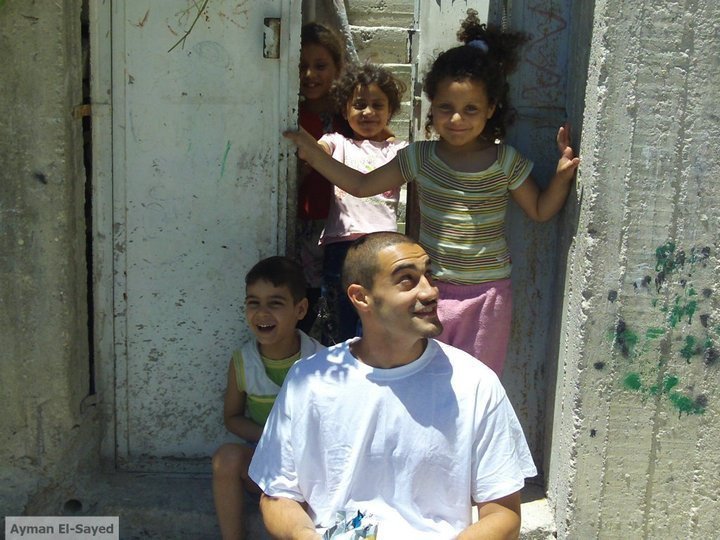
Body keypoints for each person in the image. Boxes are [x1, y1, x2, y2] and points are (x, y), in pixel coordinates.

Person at [284, 10, 580, 376]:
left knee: (476, 382)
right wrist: (312, 151)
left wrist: (562, 177)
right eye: (446, 108)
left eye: (470, 109)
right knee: (422, 379)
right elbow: (360, 185)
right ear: (431, 107)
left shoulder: (505, 161)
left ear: (490, 109)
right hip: (427, 291)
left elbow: (539, 209)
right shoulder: (420, 157)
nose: (457, 119)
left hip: (487, 297)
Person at [249, 232, 537, 539]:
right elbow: (277, 496)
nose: (430, 291)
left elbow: (503, 513)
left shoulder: (475, 383)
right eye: (407, 280)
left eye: (429, 275)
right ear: (361, 297)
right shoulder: (308, 380)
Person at [212, 256, 324, 540]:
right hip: (263, 465)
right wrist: (270, 437)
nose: (262, 313)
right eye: (254, 303)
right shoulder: (243, 362)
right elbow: (232, 417)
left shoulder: (322, 360)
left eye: (275, 303)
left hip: (308, 469)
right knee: (226, 458)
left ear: (300, 309)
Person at [318, 63, 409, 344]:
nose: (368, 112)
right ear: (345, 111)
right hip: (341, 247)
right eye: (359, 105)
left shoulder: (398, 150)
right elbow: (318, 150)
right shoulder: (337, 143)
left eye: (378, 105)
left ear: (390, 112)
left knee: (378, 322)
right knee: (339, 323)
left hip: (383, 249)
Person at [296, 22, 351, 336]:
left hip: (342, 223)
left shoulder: (350, 115)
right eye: (301, 66)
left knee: (339, 302)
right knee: (308, 298)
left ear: (337, 69)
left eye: (320, 66)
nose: (309, 74)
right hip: (306, 223)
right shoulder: (292, 114)